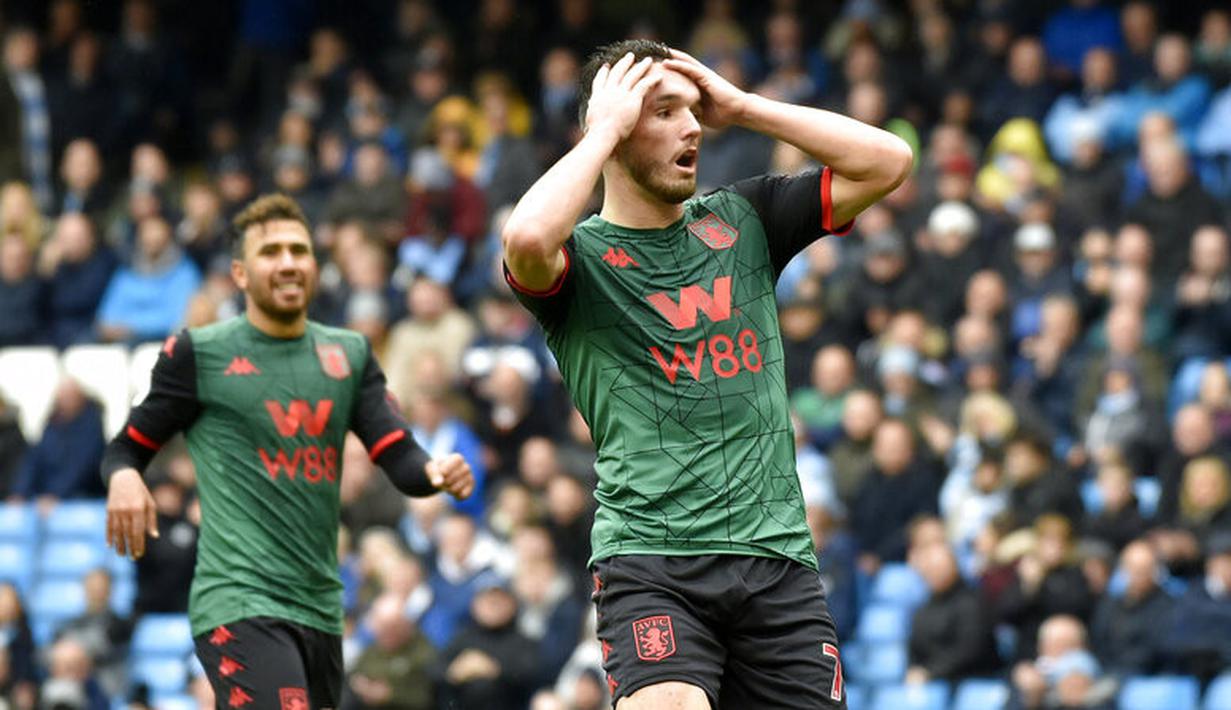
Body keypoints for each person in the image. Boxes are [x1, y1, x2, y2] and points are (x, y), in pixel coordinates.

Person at [501, 39, 912, 709]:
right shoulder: (577, 264)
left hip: (776, 561)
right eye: (662, 111)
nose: (692, 126)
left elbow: (888, 161)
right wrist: (603, 130)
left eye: (693, 110)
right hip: (652, 562)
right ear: (608, 129)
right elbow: (524, 239)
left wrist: (745, 107)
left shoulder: (743, 218)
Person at [100, 193, 474, 708]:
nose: (288, 262)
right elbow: (125, 448)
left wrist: (435, 471)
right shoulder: (199, 354)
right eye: (270, 251)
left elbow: (397, 453)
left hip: (320, 606)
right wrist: (124, 477)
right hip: (239, 600)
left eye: (298, 250)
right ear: (239, 273)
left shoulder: (349, 353)